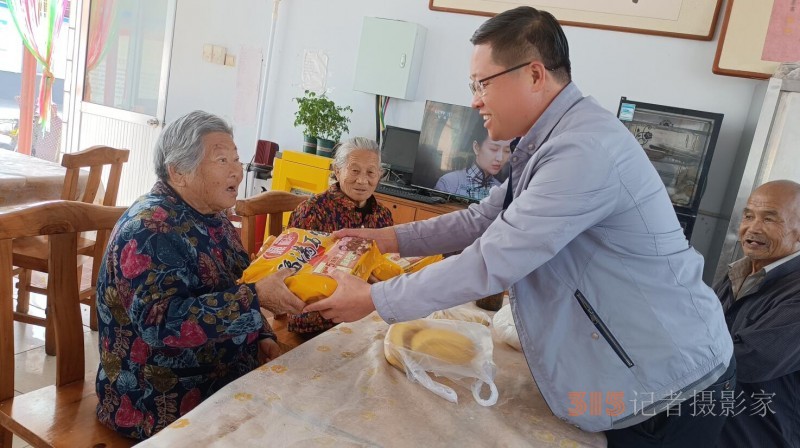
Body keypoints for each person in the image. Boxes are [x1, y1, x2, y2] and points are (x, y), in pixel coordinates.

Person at [305, 7, 734, 447]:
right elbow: (483, 219)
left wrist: (376, 298)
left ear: (533, 75)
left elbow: (495, 259)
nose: (474, 99)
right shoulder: (549, 141)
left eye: (482, 83)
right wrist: (388, 237)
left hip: (668, 387)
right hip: (630, 370)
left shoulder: (583, 150)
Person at [95, 110, 306, 440]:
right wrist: (256, 300)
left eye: (236, 159)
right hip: (158, 398)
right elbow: (160, 324)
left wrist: (261, 334)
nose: (237, 169)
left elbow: (240, 284)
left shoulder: (212, 216)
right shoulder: (149, 230)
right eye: (222, 160)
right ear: (178, 172)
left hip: (222, 378)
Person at [715, 180, 800, 448]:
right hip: (712, 426)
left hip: (757, 436)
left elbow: (750, 360)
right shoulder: (738, 273)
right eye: (748, 216)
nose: (753, 228)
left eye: (769, 219)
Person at [287, 136, 393, 333]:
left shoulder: (383, 215)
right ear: (337, 170)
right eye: (354, 170)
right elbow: (294, 272)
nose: (362, 180)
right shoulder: (312, 211)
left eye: (371, 172)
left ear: (379, 175)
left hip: (367, 310)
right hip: (319, 315)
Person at [434, 124, 512, 200]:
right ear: (476, 147)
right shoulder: (449, 183)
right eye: (494, 149)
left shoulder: (501, 190)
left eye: (507, 151)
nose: (500, 158)